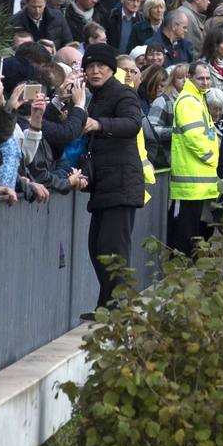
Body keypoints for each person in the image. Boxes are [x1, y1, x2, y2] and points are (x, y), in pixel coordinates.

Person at [79, 43, 145, 311]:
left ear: (111, 69)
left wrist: (100, 124)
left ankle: (116, 310)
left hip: (121, 184)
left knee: (112, 250)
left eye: (100, 67)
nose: (95, 71)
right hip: (105, 184)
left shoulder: (122, 94)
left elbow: (133, 123)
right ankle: (108, 307)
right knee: (98, 248)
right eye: (90, 67)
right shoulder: (94, 96)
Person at [165, 61, 218, 252]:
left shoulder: (197, 98)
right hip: (188, 182)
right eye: (200, 78)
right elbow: (194, 136)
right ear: (189, 78)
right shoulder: (189, 100)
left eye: (207, 78)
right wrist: (212, 157)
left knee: (191, 235)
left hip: (196, 182)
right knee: (182, 238)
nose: (205, 82)